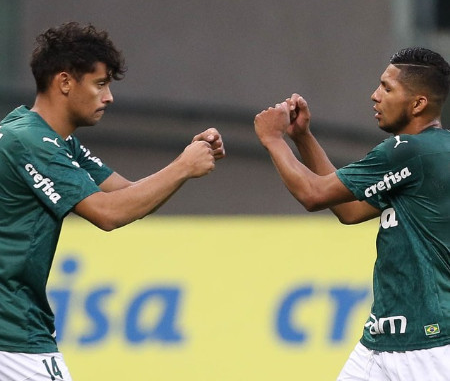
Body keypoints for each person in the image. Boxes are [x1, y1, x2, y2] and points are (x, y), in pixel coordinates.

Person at [0, 22, 225, 380]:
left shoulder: (48, 139)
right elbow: (107, 213)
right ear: (65, 82)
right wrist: (183, 166)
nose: (109, 97)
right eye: (100, 84)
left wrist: (186, 163)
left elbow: (126, 194)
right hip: (12, 333)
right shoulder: (30, 141)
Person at [254, 47, 450, 381]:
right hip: (380, 342)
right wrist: (303, 138)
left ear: (417, 104)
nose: (375, 96)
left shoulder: (408, 152)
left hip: (427, 344)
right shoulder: (431, 154)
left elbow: (313, 194)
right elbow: (350, 210)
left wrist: (273, 139)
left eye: (387, 88)